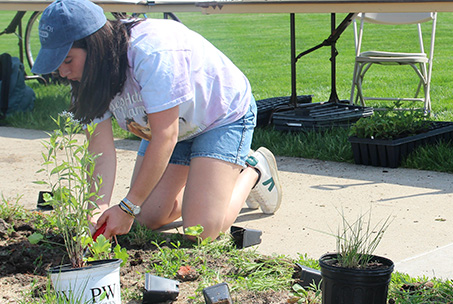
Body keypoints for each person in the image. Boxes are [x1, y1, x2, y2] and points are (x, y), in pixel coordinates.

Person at [32, 0, 283, 241]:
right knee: (148, 216)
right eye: (58, 65)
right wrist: (95, 209)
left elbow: (165, 137)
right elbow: (100, 150)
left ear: (95, 46)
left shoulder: (149, 51)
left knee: (199, 230)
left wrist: (128, 206)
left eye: (67, 61)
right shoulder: (87, 78)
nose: (63, 73)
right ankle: (206, 185)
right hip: (172, 127)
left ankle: (253, 170)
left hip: (220, 116)